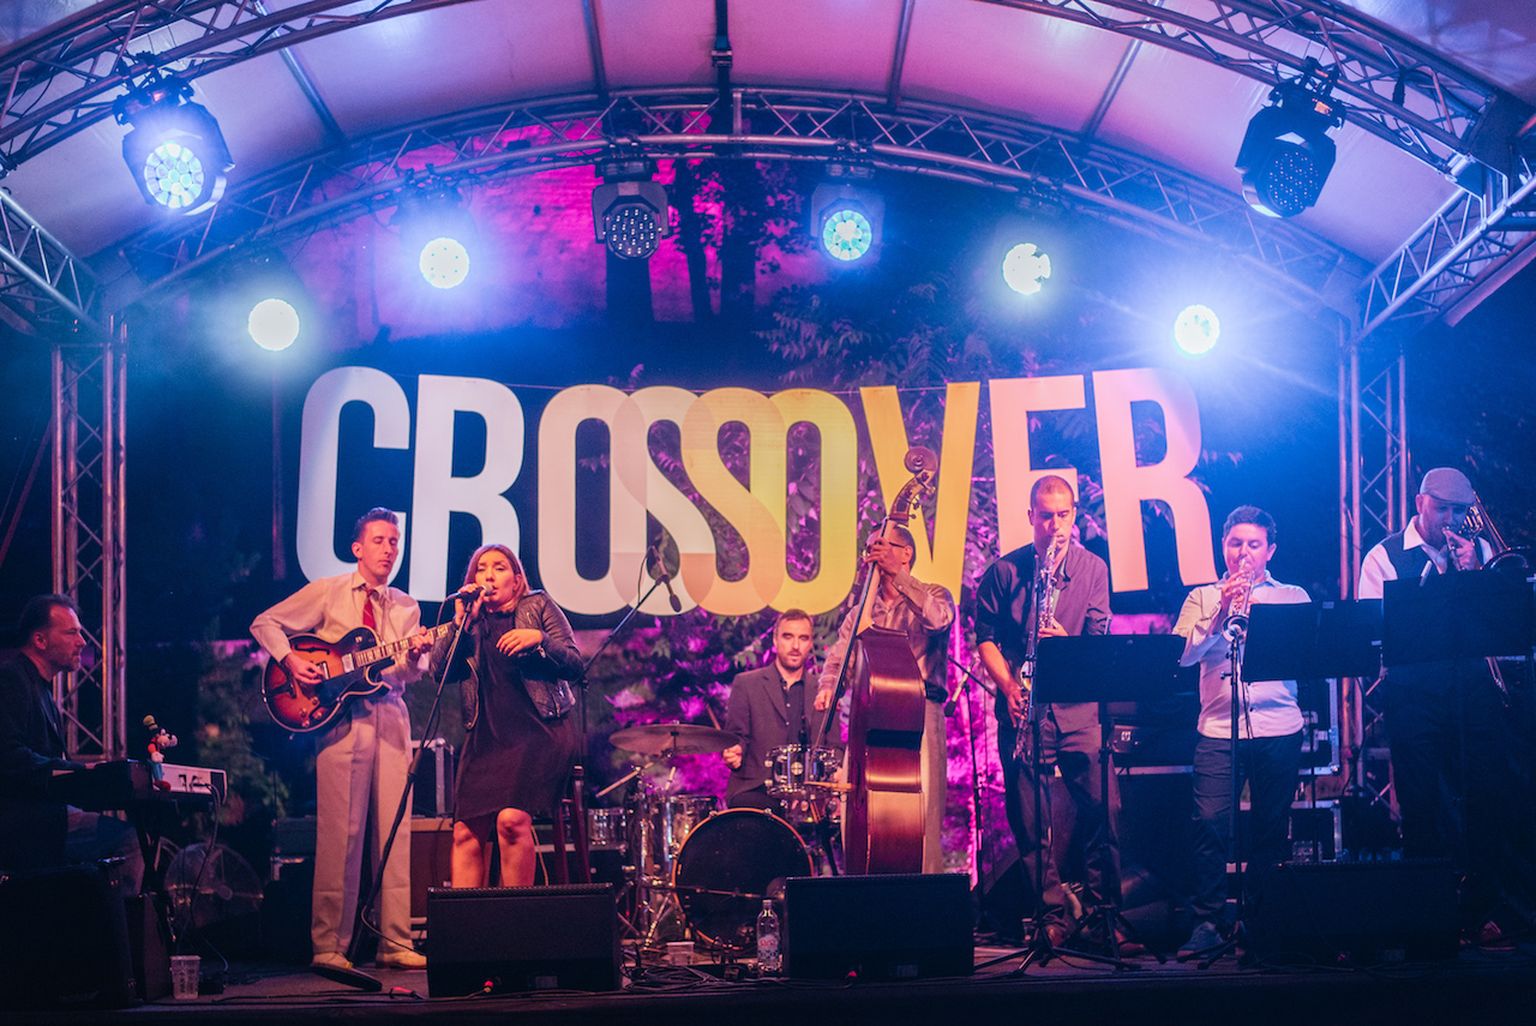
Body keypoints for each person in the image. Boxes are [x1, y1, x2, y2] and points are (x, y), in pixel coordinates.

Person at [250, 508, 429, 971]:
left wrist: (417, 655)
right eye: (379, 540)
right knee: (340, 834)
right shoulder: (328, 591)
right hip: (340, 717)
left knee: (395, 832)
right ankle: (329, 946)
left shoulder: (407, 607)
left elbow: (408, 672)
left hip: (391, 712)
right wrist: (291, 660)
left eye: (394, 541)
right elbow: (265, 623)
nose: (388, 549)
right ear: (358, 548)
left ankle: (394, 941)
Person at [1357, 466, 1512, 941]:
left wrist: (1472, 575)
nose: (1451, 520)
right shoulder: (1383, 556)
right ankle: (1429, 914)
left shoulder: (1480, 552)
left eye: (1460, 512)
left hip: (1471, 688)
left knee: (1485, 796)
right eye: (1442, 509)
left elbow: (1498, 619)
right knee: (1422, 800)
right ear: (1420, 503)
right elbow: (1373, 632)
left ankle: (1481, 909)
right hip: (1414, 692)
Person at [975, 474, 1118, 949]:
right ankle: (1051, 914)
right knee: (1030, 820)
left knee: (1105, 808)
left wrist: (1067, 645)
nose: (1054, 525)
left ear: (1073, 516)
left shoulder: (1093, 568)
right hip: (1025, 709)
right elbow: (986, 638)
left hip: (1078, 708)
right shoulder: (1005, 571)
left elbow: (1098, 640)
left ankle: (1103, 915)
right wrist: (1008, 686)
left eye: (1062, 515)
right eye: (1045, 516)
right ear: (1030, 516)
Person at [1172, 505, 1310, 956]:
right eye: (1235, 543)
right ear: (1223, 547)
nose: (1243, 553)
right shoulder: (1201, 598)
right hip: (1218, 728)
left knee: (1271, 829)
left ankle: (1260, 921)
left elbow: (1305, 653)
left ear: (1270, 550)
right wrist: (1220, 614)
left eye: (1254, 544)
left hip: (1279, 726)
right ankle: (1208, 922)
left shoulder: (1292, 596)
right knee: (1210, 824)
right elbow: (1181, 657)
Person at [430, 543, 584, 888]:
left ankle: (516, 916)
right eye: (481, 568)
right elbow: (438, 672)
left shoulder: (538, 605)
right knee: (464, 834)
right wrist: (459, 624)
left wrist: (539, 639)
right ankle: (466, 920)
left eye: (499, 567)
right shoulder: (470, 625)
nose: (489, 575)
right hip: (485, 738)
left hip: (540, 732)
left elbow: (575, 665)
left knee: (511, 822)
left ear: (516, 580)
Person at [815, 525, 955, 873]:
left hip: (920, 709)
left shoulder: (933, 593)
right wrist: (829, 685)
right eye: (871, 548)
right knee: (859, 808)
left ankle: (925, 891)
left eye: (884, 546)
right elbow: (839, 658)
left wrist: (899, 577)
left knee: (923, 814)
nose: (874, 554)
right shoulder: (861, 612)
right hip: (871, 715)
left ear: (906, 553)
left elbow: (939, 620)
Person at [0, 594, 143, 893]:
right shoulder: (11, 679)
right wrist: (74, 770)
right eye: (71, 633)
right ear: (40, 640)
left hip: (42, 815)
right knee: (129, 841)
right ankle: (120, 923)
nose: (82, 641)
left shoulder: (40, 689)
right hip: (24, 820)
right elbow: (8, 755)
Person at [721, 609, 830, 817]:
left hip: (810, 792)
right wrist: (735, 751)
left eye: (803, 638)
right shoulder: (747, 684)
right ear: (775, 640)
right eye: (788, 637)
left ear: (810, 643)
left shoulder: (822, 690)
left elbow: (835, 747)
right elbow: (736, 737)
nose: (795, 646)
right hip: (757, 789)